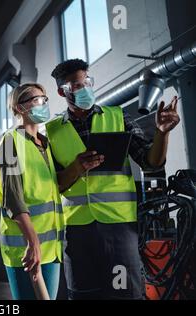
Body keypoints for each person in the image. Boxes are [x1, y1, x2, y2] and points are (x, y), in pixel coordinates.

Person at [46, 59, 180, 299]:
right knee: (83, 295)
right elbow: (52, 186)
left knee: (125, 293)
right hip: (77, 232)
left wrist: (162, 133)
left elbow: (152, 162)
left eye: (88, 82)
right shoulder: (52, 131)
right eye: (77, 86)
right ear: (61, 91)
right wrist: (76, 168)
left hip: (119, 228)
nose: (85, 88)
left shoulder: (118, 117)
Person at [0, 83, 64, 300]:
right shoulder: (9, 143)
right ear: (19, 109)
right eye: (36, 100)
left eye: (44, 99)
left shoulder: (44, 144)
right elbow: (14, 199)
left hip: (51, 248)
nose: (43, 104)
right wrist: (33, 243)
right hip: (26, 247)